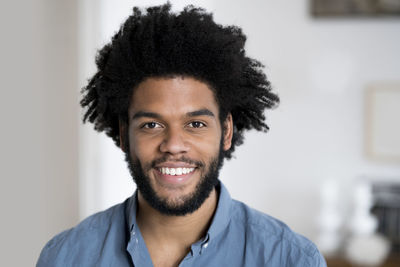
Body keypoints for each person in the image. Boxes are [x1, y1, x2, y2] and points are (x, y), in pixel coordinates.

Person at [37, 3, 326, 267]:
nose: (174, 145)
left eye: (196, 124)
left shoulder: (290, 259)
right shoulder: (66, 256)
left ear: (226, 131)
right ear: (124, 135)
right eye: (151, 125)